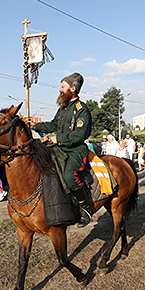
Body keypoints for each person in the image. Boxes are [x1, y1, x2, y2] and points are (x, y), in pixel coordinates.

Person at [32, 72, 93, 227]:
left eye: (63, 87)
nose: (60, 90)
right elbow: (53, 125)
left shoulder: (82, 110)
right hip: (59, 148)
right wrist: (34, 125)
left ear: (72, 89)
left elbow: (80, 135)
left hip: (76, 150)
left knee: (69, 176)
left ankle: (86, 208)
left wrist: (58, 139)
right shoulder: (63, 108)